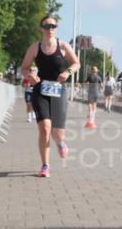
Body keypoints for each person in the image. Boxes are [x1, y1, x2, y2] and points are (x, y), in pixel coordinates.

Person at [20, 15, 80, 177]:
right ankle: (45, 165)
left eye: (53, 26)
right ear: (41, 28)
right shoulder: (35, 48)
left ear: (56, 28)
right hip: (40, 91)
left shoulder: (63, 46)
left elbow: (76, 63)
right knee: (45, 129)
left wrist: (67, 72)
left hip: (58, 91)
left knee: (57, 132)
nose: (50, 29)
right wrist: (29, 76)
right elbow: (24, 68)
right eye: (47, 26)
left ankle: (61, 143)